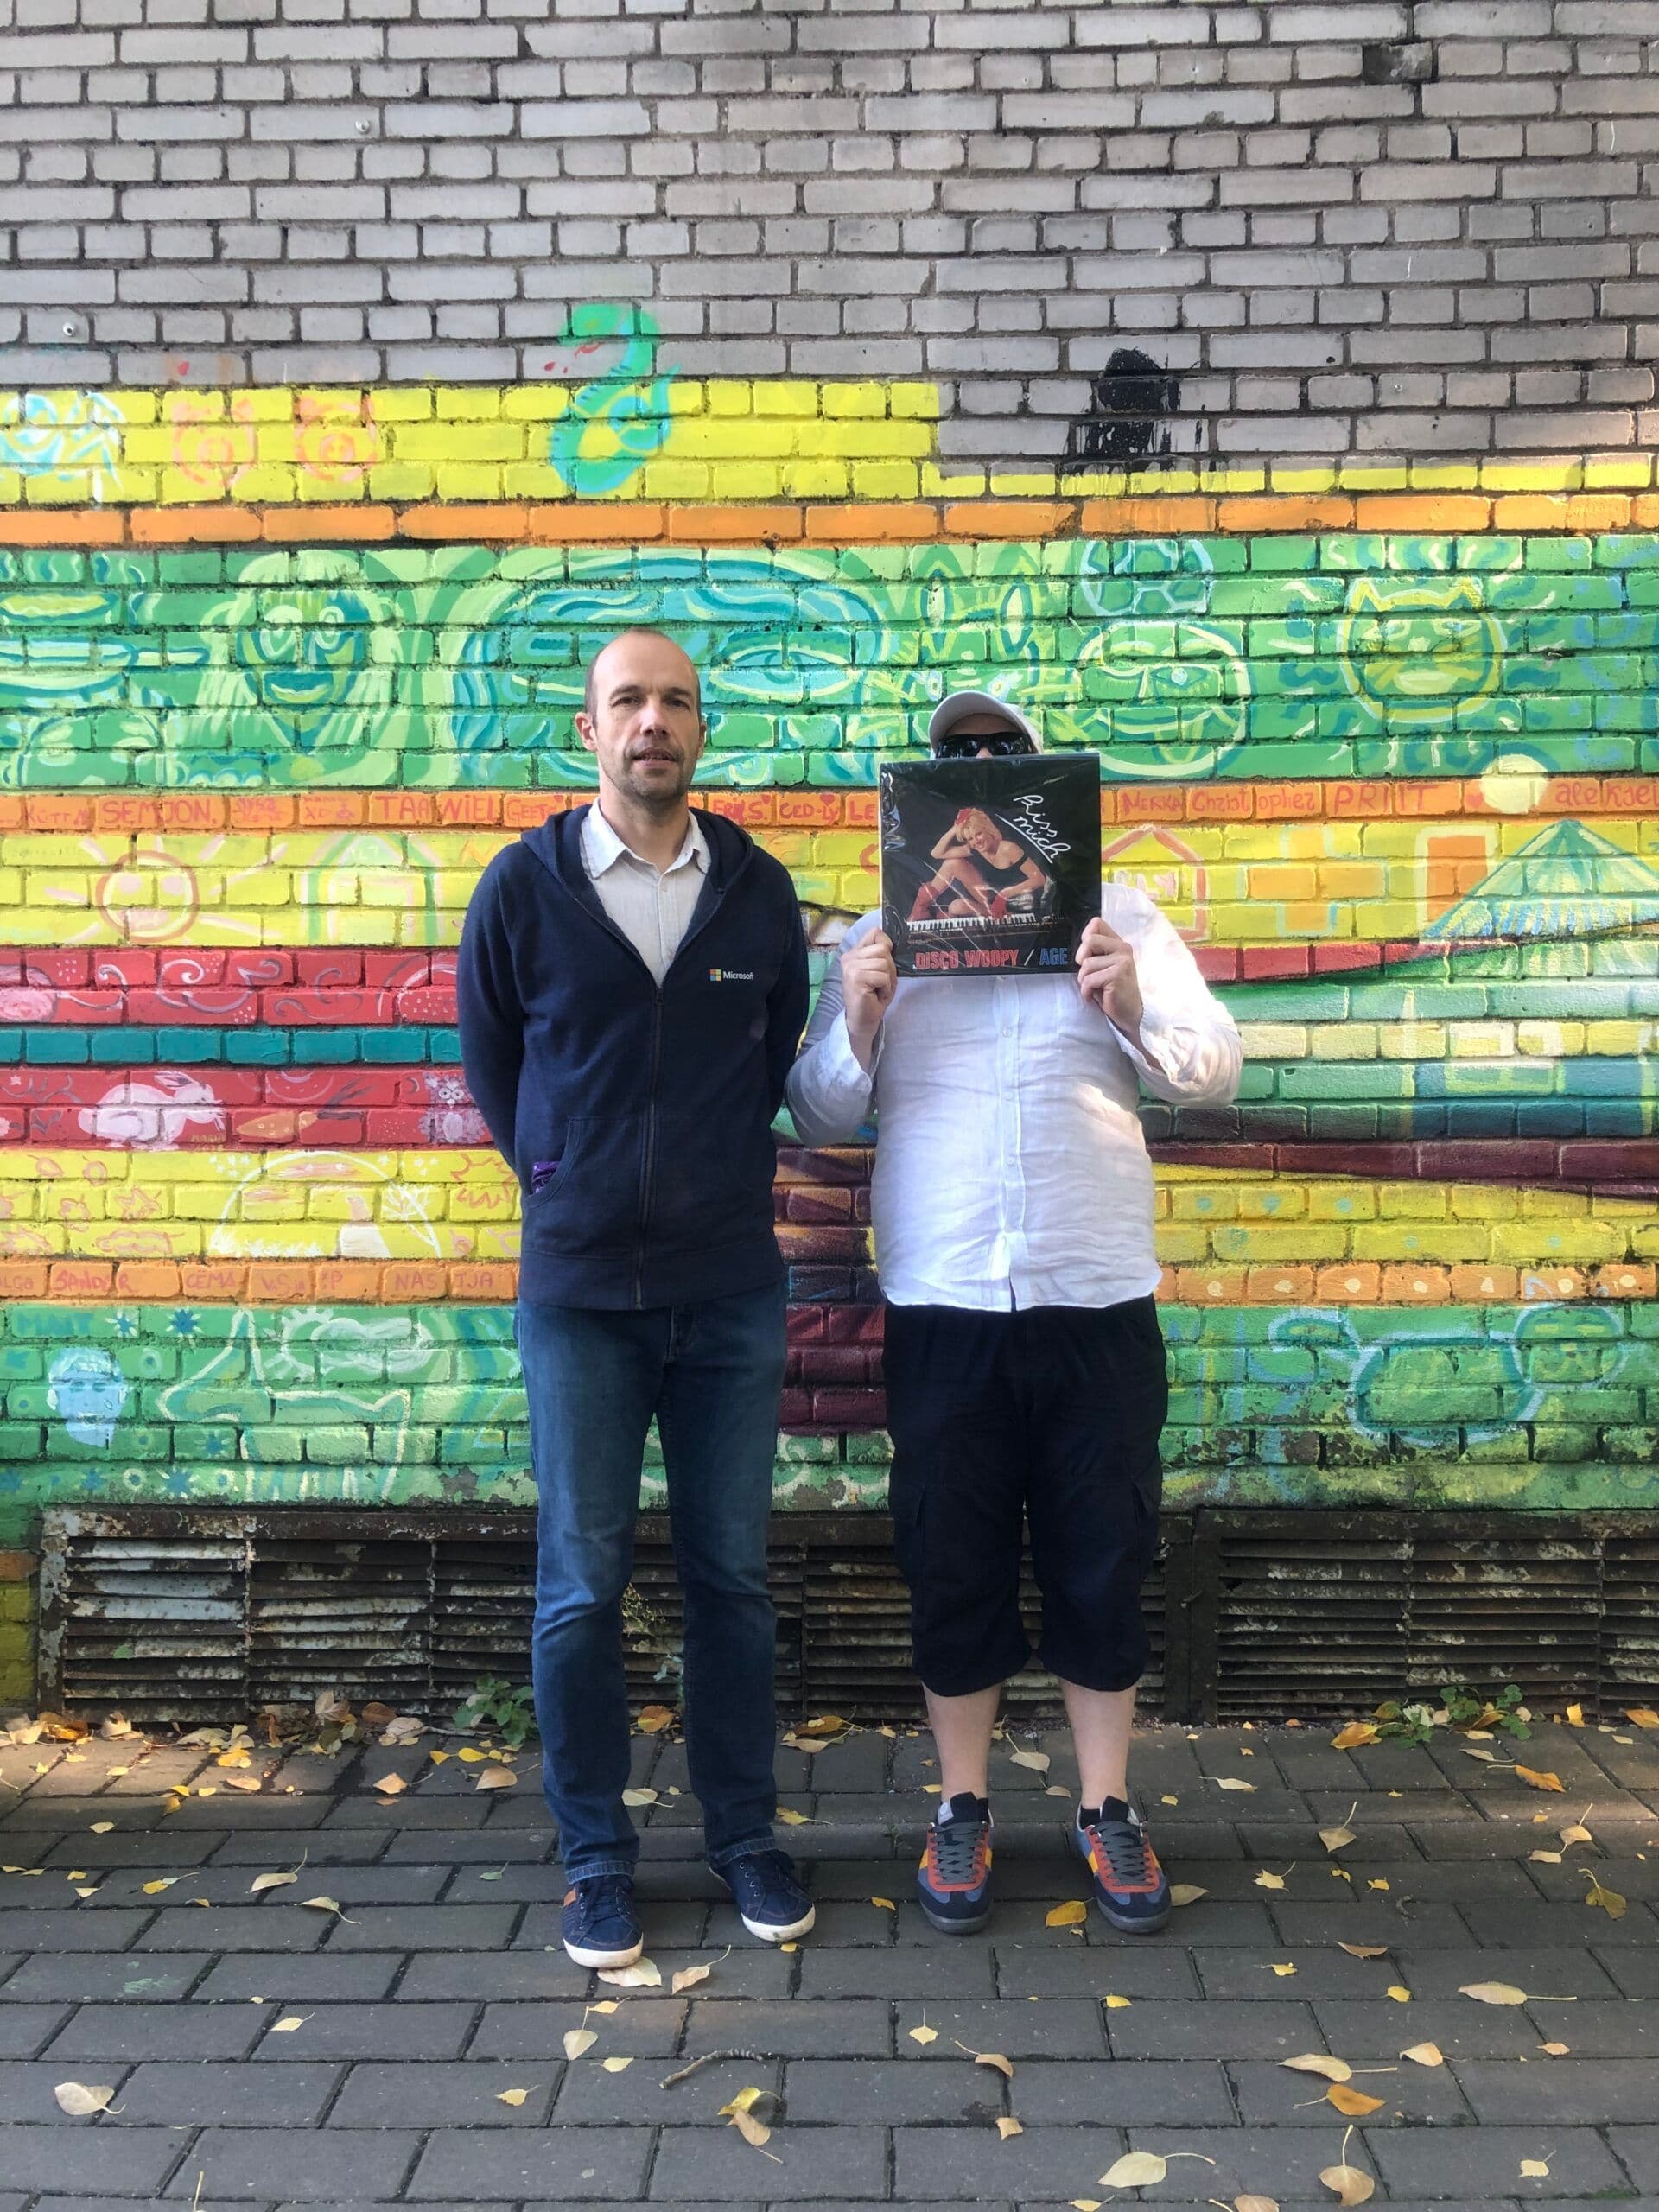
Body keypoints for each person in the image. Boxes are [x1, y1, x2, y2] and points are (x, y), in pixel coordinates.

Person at [786, 688, 1242, 1938]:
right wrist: (861, 1012)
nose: (979, 769)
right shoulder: (881, 932)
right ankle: (962, 1805)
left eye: (1003, 752)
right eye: (957, 755)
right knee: (953, 1559)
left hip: (1094, 1290)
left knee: (1104, 1554)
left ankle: (1106, 1808)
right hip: (943, 1297)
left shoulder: (1120, 916)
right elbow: (818, 1111)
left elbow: (1215, 1069)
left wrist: (1131, 1007)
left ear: (1046, 784)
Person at [458, 627, 814, 1969]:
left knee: (732, 1579)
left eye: (674, 701)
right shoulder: (522, 887)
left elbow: (770, 1061)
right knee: (580, 1586)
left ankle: (745, 1837)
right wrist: (564, 1181)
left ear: (700, 730)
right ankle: (595, 1861)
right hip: (583, 1297)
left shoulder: (758, 893)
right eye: (627, 701)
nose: (651, 721)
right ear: (590, 729)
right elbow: (497, 1066)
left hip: (729, 1289)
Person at [910, 808, 1051, 922]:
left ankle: (956, 919)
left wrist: (1004, 895)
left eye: (978, 834)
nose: (976, 841)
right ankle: (921, 909)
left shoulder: (1008, 849)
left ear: (988, 829)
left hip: (1014, 905)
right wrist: (955, 828)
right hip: (989, 903)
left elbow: (1039, 879)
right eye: (970, 838)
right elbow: (936, 853)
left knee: (956, 907)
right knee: (952, 864)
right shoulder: (975, 848)